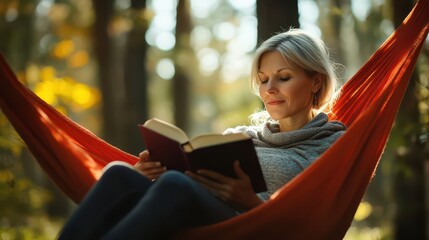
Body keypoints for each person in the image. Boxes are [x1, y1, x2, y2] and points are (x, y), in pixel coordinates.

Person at [58, 28, 346, 240]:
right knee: (121, 174)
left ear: (315, 81)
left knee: (175, 186)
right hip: (194, 216)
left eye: (283, 77)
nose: (269, 89)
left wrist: (251, 202)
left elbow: (315, 223)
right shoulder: (241, 136)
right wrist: (151, 171)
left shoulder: (333, 144)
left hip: (250, 229)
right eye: (263, 80)